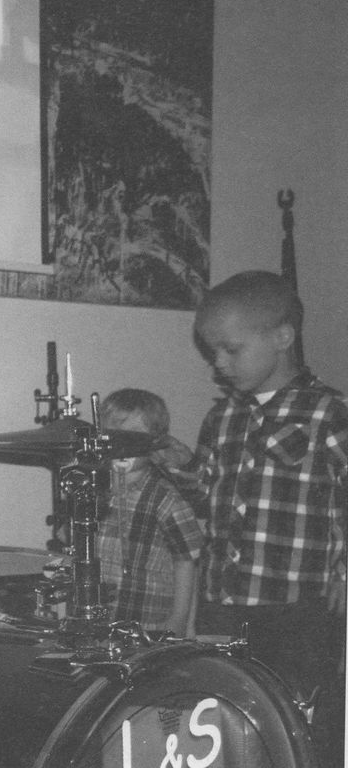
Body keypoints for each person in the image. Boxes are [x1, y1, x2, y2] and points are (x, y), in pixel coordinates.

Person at [190, 269, 346, 768]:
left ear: (282, 337)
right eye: (212, 351)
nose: (218, 363)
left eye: (230, 349)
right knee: (229, 727)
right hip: (222, 603)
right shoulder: (221, 418)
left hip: (295, 608)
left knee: (298, 728)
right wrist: (173, 468)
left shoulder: (329, 412)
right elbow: (205, 499)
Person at [97, 388, 202, 636]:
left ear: (155, 442)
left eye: (134, 435)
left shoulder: (166, 499)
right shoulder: (93, 491)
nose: (123, 443)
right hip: (99, 623)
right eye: (114, 433)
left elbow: (187, 562)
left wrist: (180, 621)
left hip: (149, 625)